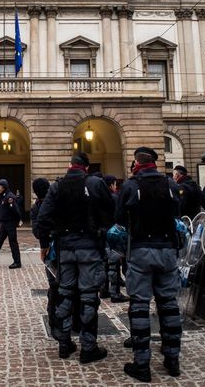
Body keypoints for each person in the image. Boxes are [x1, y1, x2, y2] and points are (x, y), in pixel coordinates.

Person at [37, 152, 114, 363]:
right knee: (89, 296)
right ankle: (88, 348)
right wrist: (102, 231)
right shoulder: (96, 184)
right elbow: (111, 211)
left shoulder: (57, 187)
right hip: (90, 247)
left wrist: (44, 243)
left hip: (66, 249)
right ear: (86, 167)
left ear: (70, 165)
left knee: (64, 294)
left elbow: (43, 219)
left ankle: (64, 344)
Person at [116, 146, 183, 381]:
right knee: (169, 304)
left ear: (136, 164)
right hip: (167, 250)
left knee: (140, 306)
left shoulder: (131, 186)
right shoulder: (170, 185)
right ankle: (172, 358)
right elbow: (178, 212)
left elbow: (119, 219)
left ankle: (142, 364)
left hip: (141, 250)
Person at [29, 177, 60, 340]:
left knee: (57, 286)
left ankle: (60, 321)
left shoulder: (53, 202)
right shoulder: (38, 208)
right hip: (54, 251)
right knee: (56, 286)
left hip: (53, 250)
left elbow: (37, 230)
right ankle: (55, 323)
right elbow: (37, 230)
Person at [102, 174, 128, 303]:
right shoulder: (114, 198)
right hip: (113, 234)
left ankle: (103, 289)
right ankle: (115, 293)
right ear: (111, 185)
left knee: (104, 263)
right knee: (114, 265)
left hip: (101, 233)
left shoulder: (99, 197)